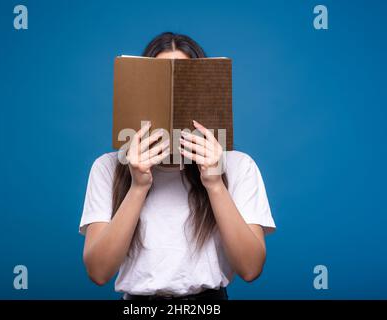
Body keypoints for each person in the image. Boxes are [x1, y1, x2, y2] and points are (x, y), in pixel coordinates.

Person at [79, 32, 276, 300]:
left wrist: (215, 183)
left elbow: (251, 268)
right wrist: (138, 186)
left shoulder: (239, 166)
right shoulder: (108, 167)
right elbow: (98, 271)